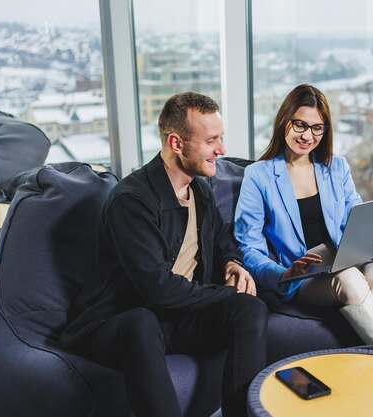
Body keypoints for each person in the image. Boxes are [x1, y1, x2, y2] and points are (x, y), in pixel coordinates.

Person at [61, 92, 268, 417]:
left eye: (221, 138)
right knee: (141, 323)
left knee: (249, 308)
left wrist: (233, 263)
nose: (222, 150)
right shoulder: (132, 201)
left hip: (176, 319)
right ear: (176, 143)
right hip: (120, 321)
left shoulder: (199, 187)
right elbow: (157, 288)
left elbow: (221, 240)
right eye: (211, 139)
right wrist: (222, 292)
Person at [233, 84, 373, 362]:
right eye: (300, 125)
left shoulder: (336, 167)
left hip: (348, 257)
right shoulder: (258, 176)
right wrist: (284, 273)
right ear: (284, 122)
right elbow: (248, 248)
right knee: (350, 279)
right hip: (304, 276)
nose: (307, 135)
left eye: (317, 128)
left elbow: (358, 218)